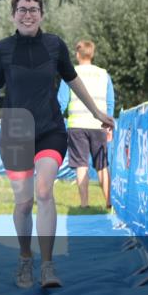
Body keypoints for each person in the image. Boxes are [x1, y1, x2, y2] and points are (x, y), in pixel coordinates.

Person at [0, 0, 113, 290]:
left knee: (44, 191)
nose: (28, 14)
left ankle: (48, 266)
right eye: (22, 9)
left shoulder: (55, 45)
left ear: (42, 13)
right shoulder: (2, 49)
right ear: (13, 15)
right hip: (15, 133)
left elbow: (73, 80)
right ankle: (26, 258)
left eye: (33, 9)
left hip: (50, 129)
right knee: (24, 203)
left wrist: (96, 111)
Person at [65, 40, 115, 210]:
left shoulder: (71, 73)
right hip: (99, 125)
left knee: (81, 165)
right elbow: (110, 101)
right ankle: (109, 202)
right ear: (92, 54)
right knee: (102, 165)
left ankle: (84, 204)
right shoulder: (103, 74)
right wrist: (109, 124)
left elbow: (62, 100)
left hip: (77, 125)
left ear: (78, 54)